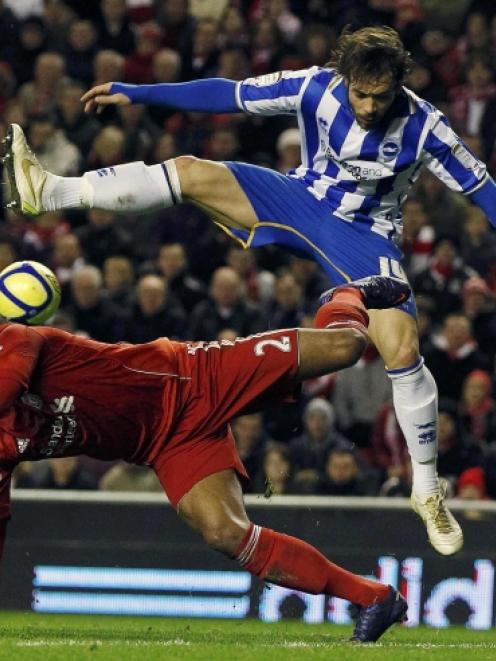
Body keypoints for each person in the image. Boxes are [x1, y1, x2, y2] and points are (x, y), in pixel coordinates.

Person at [7, 25, 494, 555]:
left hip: (364, 234)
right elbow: (229, 93)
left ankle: (426, 490)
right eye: (360, 93)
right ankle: (50, 192)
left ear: (399, 84)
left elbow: (484, 191)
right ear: (345, 78)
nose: (370, 106)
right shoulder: (315, 87)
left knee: (402, 350)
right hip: (297, 198)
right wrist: (140, 92)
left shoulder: (427, 127)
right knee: (191, 172)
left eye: (381, 96)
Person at [0, 276, 409, 642]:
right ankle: (373, 597)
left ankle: (347, 294)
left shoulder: (17, 340)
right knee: (225, 533)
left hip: (193, 374)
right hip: (166, 444)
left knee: (345, 346)